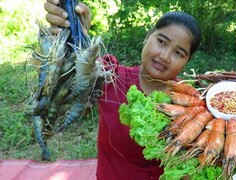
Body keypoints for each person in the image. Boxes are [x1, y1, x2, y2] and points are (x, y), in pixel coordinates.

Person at [44, 0, 202, 179]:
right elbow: (67, 81)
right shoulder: (109, 76)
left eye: (178, 53)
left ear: (186, 62)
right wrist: (72, 32)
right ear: (148, 36)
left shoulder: (193, 103)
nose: (164, 56)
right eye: (162, 42)